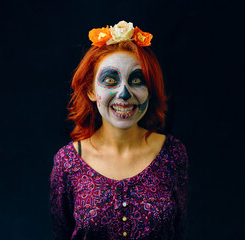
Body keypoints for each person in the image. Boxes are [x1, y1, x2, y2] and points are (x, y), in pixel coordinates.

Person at [50, 20, 189, 240]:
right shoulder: (67, 162)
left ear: (150, 90)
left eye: (136, 80)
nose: (124, 94)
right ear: (91, 91)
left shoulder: (172, 154)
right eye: (110, 80)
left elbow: (179, 232)